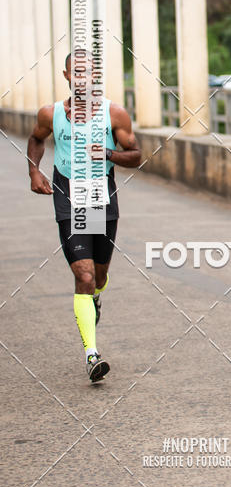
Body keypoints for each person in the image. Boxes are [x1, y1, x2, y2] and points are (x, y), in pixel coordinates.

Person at [27, 53, 141, 382]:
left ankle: (93, 300)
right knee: (85, 276)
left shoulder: (113, 113)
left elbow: (135, 156)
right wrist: (34, 172)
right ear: (66, 75)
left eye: (88, 73)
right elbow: (36, 139)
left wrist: (106, 152)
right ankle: (92, 354)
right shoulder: (51, 113)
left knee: (100, 278)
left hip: (100, 198)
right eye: (76, 73)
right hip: (69, 197)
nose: (82, 78)